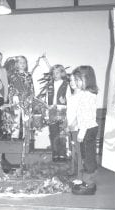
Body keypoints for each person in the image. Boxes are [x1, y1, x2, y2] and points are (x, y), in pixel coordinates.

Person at [70, 65, 99, 195]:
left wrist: (81, 132)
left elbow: (88, 116)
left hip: (87, 129)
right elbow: (81, 113)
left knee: (88, 157)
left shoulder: (88, 95)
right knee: (86, 156)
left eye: (78, 80)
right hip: (86, 128)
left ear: (87, 79)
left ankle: (89, 184)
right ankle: (86, 181)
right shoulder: (86, 94)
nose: (76, 83)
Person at [6, 55, 34, 140]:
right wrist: (10, 100)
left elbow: (31, 87)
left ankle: (26, 135)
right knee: (15, 117)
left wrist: (32, 97)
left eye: (24, 62)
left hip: (26, 98)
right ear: (16, 64)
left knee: (26, 117)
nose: (22, 64)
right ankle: (14, 135)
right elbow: (10, 88)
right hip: (16, 98)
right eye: (20, 62)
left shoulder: (28, 75)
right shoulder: (12, 75)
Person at [47, 64, 71, 162]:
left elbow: (69, 98)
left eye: (57, 72)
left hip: (62, 110)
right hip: (52, 110)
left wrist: (65, 101)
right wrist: (46, 110)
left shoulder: (66, 84)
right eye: (53, 73)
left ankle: (62, 154)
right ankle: (55, 153)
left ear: (62, 73)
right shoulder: (50, 85)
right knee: (53, 133)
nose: (55, 75)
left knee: (61, 133)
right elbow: (46, 99)